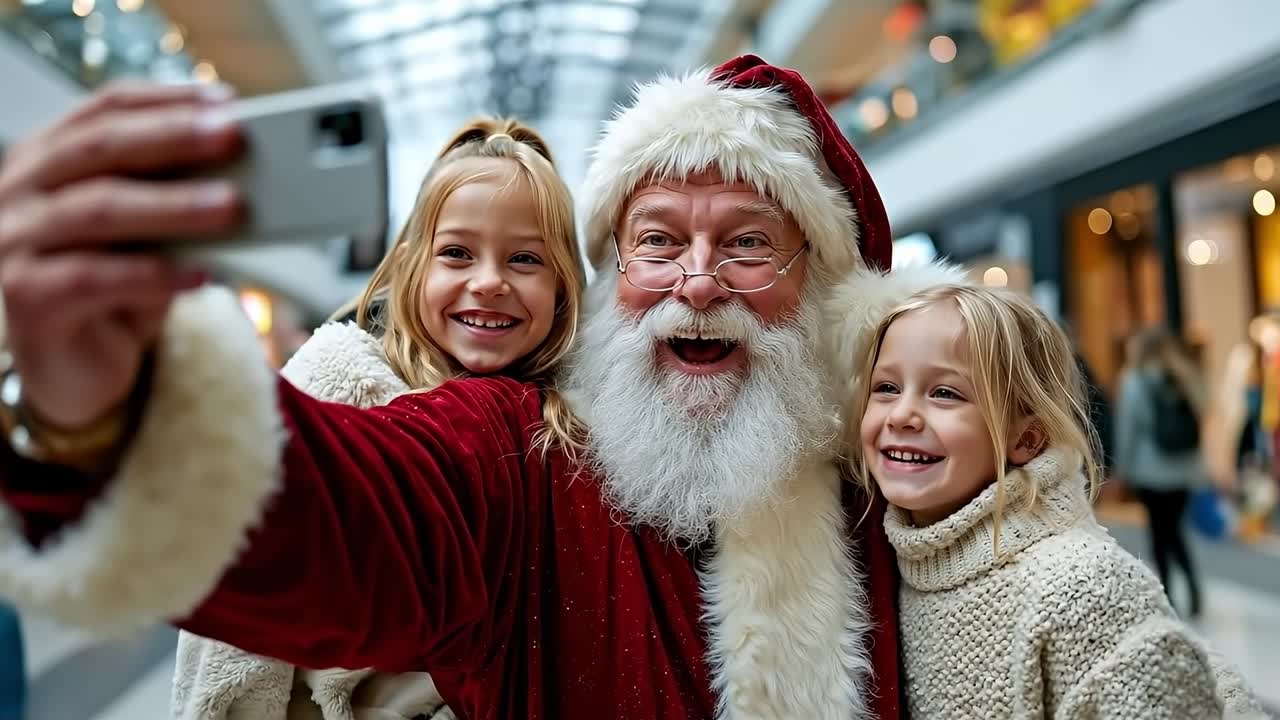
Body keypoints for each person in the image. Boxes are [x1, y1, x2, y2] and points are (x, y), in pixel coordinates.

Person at [0, 57, 963, 719]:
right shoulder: (524, 453)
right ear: (613, 277)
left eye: (749, 242)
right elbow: (345, 513)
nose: (698, 283)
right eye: (658, 240)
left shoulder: (894, 487)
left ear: (826, 285)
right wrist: (125, 403)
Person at [172, 116, 584, 720]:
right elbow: (232, 653)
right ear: (413, 266)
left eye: (524, 258)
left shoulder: (573, 423)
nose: (489, 281)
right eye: (457, 254)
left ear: (563, 286)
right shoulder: (332, 386)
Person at [842, 284, 1260, 718]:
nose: (902, 415)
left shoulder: (1084, 588)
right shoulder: (885, 571)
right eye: (887, 387)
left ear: (1026, 437)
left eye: (945, 393)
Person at [1114, 327, 1205, 617]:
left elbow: (1130, 428)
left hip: (1151, 470)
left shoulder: (1135, 380)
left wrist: (1122, 470)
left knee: (1158, 533)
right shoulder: (1183, 376)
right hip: (1183, 470)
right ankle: (1193, 587)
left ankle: (1168, 594)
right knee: (1176, 530)